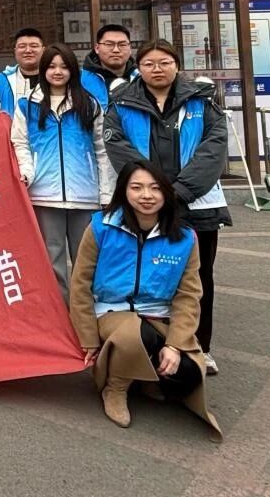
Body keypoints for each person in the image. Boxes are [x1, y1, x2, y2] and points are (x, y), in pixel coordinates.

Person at [103, 39, 231, 375]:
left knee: (198, 278)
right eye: (148, 64)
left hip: (197, 205)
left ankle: (199, 346)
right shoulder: (121, 103)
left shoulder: (202, 101)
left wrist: (179, 192)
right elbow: (119, 148)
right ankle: (153, 346)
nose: (156, 69)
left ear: (177, 65)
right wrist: (152, 191)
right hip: (144, 205)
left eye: (164, 63)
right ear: (139, 68)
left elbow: (214, 149)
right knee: (149, 275)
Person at [68, 160, 221, 440]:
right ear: (123, 191)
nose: (146, 195)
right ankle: (116, 388)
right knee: (138, 336)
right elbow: (80, 285)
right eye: (136, 187)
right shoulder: (101, 227)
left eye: (155, 188)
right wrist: (88, 337)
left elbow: (189, 296)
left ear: (166, 192)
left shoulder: (184, 237)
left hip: (159, 316)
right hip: (111, 313)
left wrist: (174, 345)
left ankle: (144, 376)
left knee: (187, 374)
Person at [10, 44, 113, 298]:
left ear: (73, 71)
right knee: (52, 260)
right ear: (43, 70)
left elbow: (102, 150)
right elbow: (20, 143)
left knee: (86, 260)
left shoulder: (89, 104)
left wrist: (106, 193)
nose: (58, 72)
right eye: (52, 66)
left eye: (64, 67)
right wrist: (27, 171)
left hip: (85, 196)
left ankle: (85, 314)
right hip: (44, 194)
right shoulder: (27, 105)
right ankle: (60, 316)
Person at [0, 28, 44, 116]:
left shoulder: (54, 80)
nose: (28, 50)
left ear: (43, 50)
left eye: (34, 46)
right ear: (15, 51)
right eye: (22, 46)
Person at [81, 24, 139, 105]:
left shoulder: (141, 78)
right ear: (97, 48)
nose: (116, 50)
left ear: (130, 49)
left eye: (122, 45)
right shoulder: (80, 80)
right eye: (109, 44)